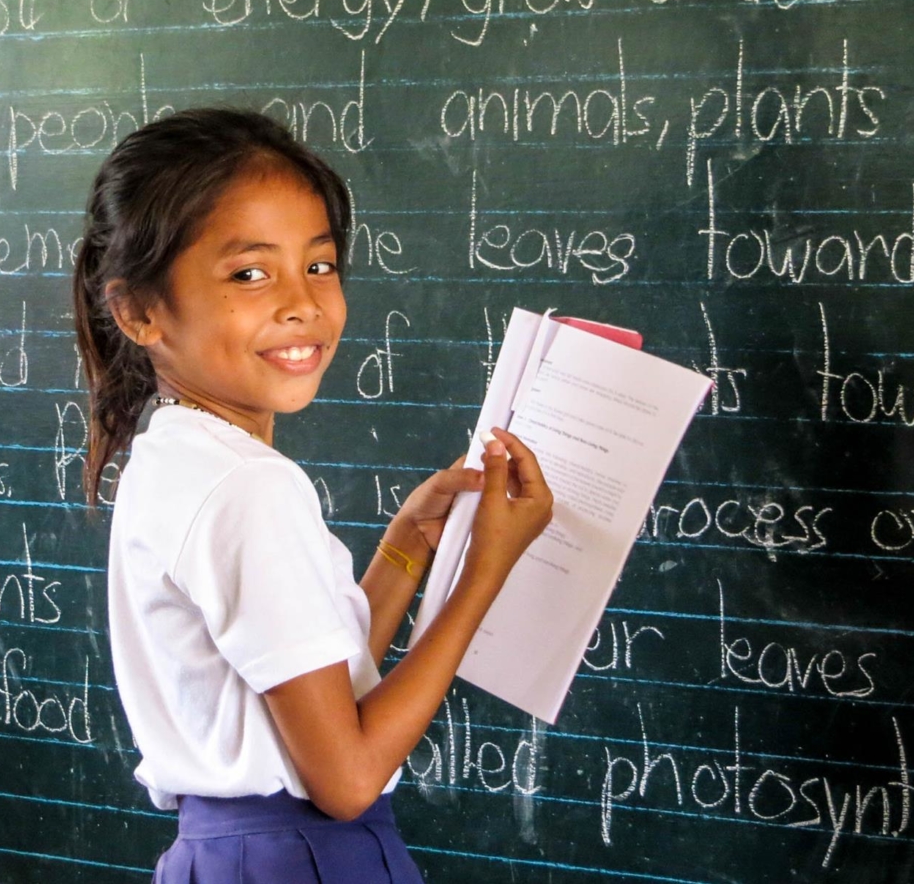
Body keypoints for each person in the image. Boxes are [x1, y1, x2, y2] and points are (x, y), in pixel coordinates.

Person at [72, 105, 554, 883]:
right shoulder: (249, 486)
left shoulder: (170, 457)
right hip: (307, 857)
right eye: (249, 273)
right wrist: (484, 572)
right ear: (139, 311)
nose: (302, 302)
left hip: (227, 857)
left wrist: (407, 547)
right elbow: (345, 775)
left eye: (320, 265)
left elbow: (309, 700)